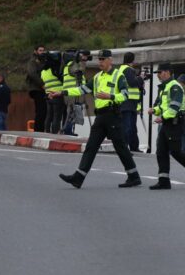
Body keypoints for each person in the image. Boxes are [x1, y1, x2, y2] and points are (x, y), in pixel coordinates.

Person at [59, 50, 141, 189]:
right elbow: (82, 89)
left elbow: (125, 95)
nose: (100, 62)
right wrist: (62, 92)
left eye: (103, 59)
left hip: (113, 115)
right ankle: (78, 178)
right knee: (91, 146)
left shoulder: (118, 75)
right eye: (99, 59)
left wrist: (110, 97)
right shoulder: (97, 77)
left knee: (120, 147)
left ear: (110, 60)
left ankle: (134, 176)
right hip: (101, 116)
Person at [148, 64, 185, 190]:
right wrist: (154, 110)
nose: (158, 75)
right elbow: (164, 107)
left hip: (174, 123)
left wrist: (162, 117)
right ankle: (164, 180)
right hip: (167, 124)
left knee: (176, 152)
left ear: (168, 72)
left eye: (160, 72)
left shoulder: (175, 86)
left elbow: (174, 107)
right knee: (161, 152)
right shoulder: (165, 87)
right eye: (158, 73)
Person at [114, 52, 143, 152]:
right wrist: (140, 78)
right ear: (133, 61)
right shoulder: (129, 70)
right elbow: (132, 83)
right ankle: (126, 147)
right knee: (128, 127)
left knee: (130, 127)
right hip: (129, 102)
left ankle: (132, 147)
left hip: (127, 102)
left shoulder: (120, 69)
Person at [61, 50, 91, 136]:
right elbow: (78, 72)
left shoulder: (67, 65)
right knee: (71, 112)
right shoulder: (72, 64)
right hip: (72, 93)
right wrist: (83, 62)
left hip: (71, 93)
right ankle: (67, 131)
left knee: (72, 112)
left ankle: (69, 131)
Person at [41, 53, 64, 134]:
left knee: (49, 115)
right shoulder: (55, 69)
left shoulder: (43, 71)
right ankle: (55, 133)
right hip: (57, 94)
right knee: (57, 116)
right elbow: (62, 79)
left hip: (48, 95)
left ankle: (46, 132)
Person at [26, 46, 48, 132]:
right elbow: (32, 74)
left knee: (44, 111)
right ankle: (38, 130)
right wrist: (42, 84)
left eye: (43, 50)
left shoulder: (44, 61)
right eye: (40, 50)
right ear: (35, 51)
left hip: (42, 89)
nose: (42, 52)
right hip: (37, 89)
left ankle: (40, 129)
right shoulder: (33, 61)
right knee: (41, 110)